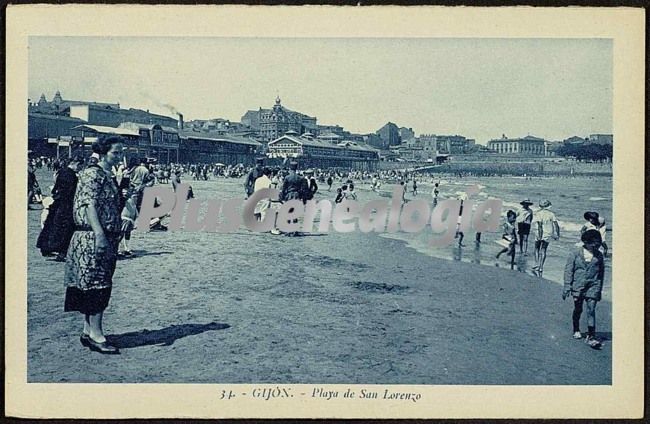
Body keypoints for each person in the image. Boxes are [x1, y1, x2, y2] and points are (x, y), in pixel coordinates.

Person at [64, 136, 124, 354]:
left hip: (102, 235)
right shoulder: (93, 173)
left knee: (93, 282)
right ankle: (98, 336)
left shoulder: (106, 174)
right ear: (104, 152)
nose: (120, 156)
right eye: (116, 152)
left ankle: (88, 331)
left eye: (121, 152)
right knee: (98, 284)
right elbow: (89, 205)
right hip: (92, 237)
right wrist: (99, 234)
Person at [563, 229, 605, 349]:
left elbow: (601, 273)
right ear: (586, 242)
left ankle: (591, 335)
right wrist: (567, 286)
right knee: (578, 308)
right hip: (578, 285)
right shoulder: (575, 253)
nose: (596, 245)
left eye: (598, 243)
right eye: (594, 243)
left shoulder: (599, 255)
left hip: (593, 285)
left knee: (591, 309)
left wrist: (599, 290)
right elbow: (568, 270)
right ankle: (576, 329)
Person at [37, 155, 84, 261]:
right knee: (64, 228)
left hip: (58, 203)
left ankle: (46, 248)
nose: (80, 168)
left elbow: (56, 189)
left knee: (51, 225)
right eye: (80, 166)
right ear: (76, 164)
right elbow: (71, 191)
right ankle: (61, 251)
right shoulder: (70, 175)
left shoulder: (62, 172)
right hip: (66, 205)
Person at [279, 161, 308, 236]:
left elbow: (283, 189)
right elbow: (303, 189)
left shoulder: (287, 177)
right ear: (296, 168)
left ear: (290, 168)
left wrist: (281, 197)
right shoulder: (300, 178)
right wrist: (303, 198)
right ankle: (295, 230)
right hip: (297, 196)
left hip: (289, 196)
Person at [532, 199, 560, 275]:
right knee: (544, 250)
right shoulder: (551, 214)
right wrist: (557, 234)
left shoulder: (538, 213)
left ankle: (537, 263)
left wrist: (540, 236)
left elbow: (540, 226)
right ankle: (541, 267)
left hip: (540, 232)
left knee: (537, 248)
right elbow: (556, 225)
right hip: (548, 233)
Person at [118, 188, 138, 257]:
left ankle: (127, 248)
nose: (136, 198)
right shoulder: (126, 201)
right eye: (134, 197)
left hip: (130, 221)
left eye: (136, 197)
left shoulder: (134, 204)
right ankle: (118, 249)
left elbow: (135, 213)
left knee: (127, 234)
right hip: (124, 219)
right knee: (121, 234)